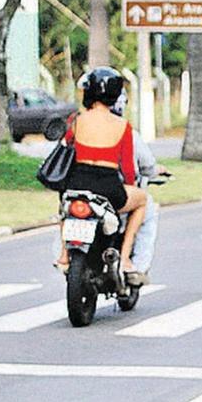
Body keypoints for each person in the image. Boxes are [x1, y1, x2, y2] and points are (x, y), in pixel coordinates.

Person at [53, 67, 149, 283]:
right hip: (108, 188)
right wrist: (131, 185)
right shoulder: (123, 126)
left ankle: (64, 254)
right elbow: (128, 169)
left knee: (64, 208)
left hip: (76, 183)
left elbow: (66, 148)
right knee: (142, 200)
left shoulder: (77, 121)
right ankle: (125, 258)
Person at [111, 92, 168, 279]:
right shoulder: (126, 133)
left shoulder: (79, 126)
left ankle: (64, 257)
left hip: (81, 190)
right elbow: (145, 166)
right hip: (115, 192)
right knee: (146, 207)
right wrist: (155, 170)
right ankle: (135, 265)